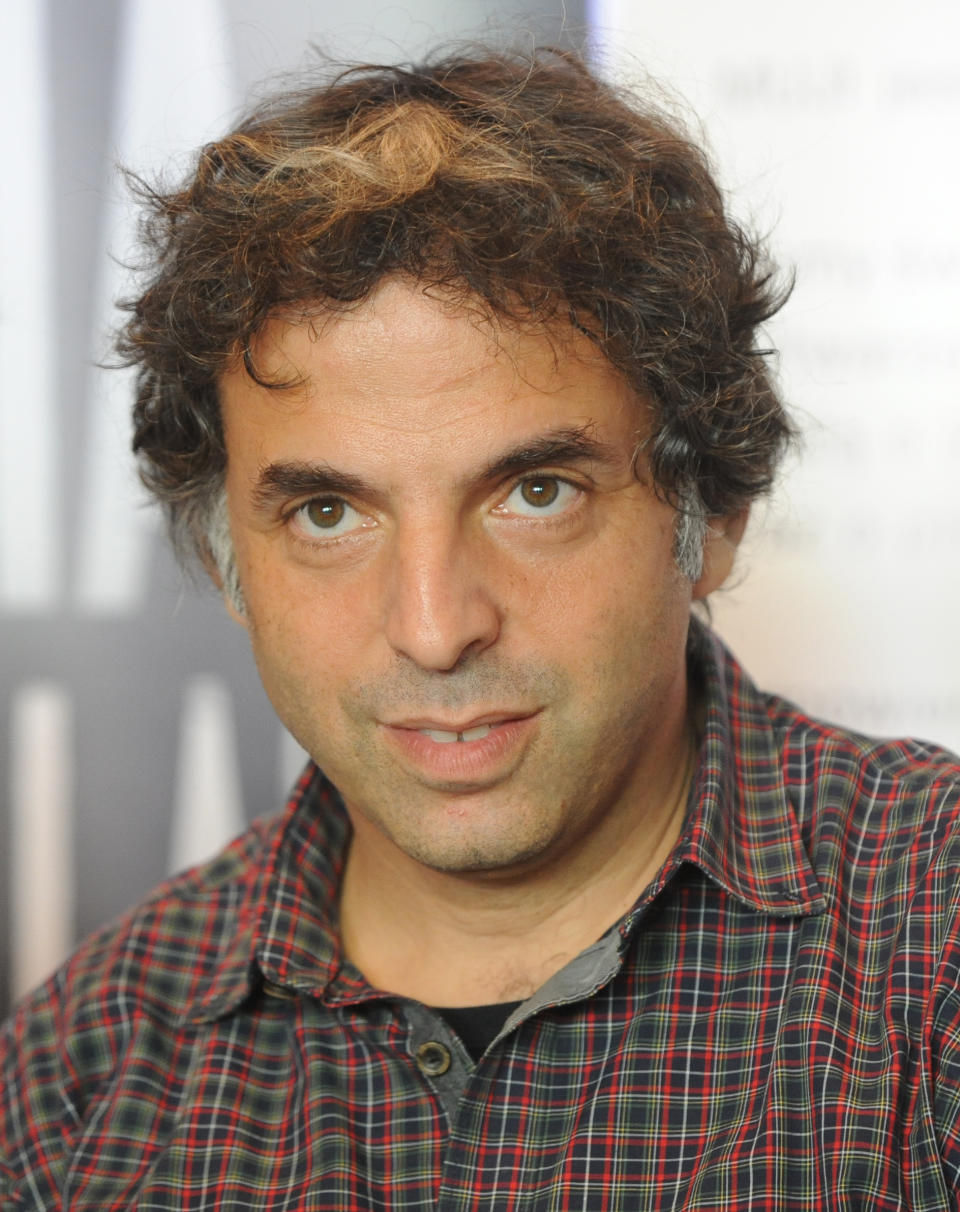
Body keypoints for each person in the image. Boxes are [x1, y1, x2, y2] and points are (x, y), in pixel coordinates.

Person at [3, 45, 960, 1211]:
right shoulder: (74, 1076)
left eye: (536, 493)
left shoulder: (935, 941)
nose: (433, 627)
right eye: (326, 512)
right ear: (222, 559)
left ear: (712, 516)